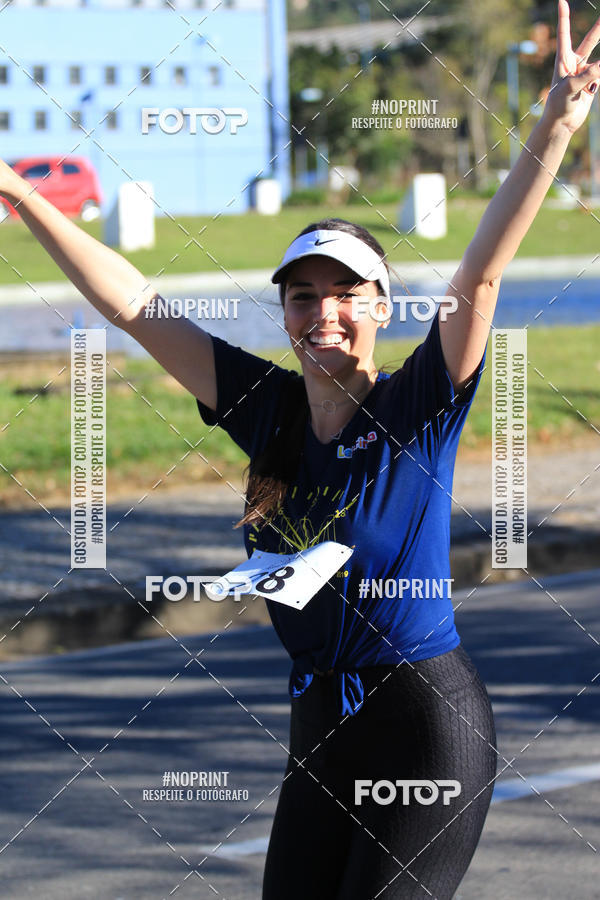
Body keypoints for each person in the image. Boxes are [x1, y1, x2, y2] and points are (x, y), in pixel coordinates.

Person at [0, 2, 598, 895]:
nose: (323, 312)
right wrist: (21, 195)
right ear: (284, 314)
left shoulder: (417, 407)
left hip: (424, 723)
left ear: (380, 308)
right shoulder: (266, 408)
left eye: (347, 293)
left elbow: (480, 274)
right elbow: (132, 305)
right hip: (318, 725)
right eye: (302, 296)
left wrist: (551, 129)